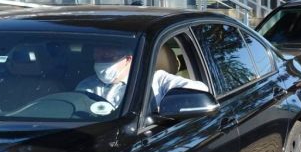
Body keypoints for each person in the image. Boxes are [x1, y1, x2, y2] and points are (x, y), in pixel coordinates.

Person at [77, 44, 208, 110]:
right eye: (97, 58)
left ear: (128, 59)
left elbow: (199, 90)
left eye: (107, 58)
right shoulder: (86, 85)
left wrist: (170, 105)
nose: (101, 64)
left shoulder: (157, 80)